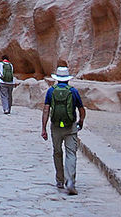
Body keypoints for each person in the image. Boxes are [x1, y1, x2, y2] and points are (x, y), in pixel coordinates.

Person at [41, 65, 86, 195]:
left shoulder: (51, 91)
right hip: (70, 126)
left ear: (57, 78)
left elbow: (46, 110)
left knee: (57, 152)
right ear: (67, 79)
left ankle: (60, 180)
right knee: (71, 153)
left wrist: (43, 128)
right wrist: (80, 122)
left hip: (56, 126)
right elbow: (81, 109)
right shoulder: (73, 91)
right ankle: (70, 180)